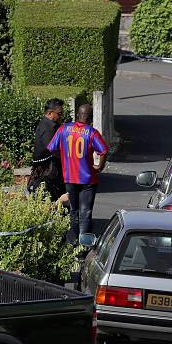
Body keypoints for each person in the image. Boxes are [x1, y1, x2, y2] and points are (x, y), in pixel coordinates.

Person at [47, 104, 108, 245]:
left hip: (69, 177)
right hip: (87, 179)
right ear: (91, 118)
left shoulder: (63, 129)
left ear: (77, 116)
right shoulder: (92, 132)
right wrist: (99, 166)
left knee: (73, 210)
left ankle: (72, 241)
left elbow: (51, 148)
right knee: (85, 212)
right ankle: (84, 244)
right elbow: (104, 150)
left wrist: (64, 158)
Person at [28, 99, 67, 202]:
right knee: (52, 200)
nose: (61, 116)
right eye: (59, 114)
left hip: (50, 171)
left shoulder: (50, 125)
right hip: (48, 172)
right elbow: (52, 149)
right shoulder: (47, 128)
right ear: (50, 113)